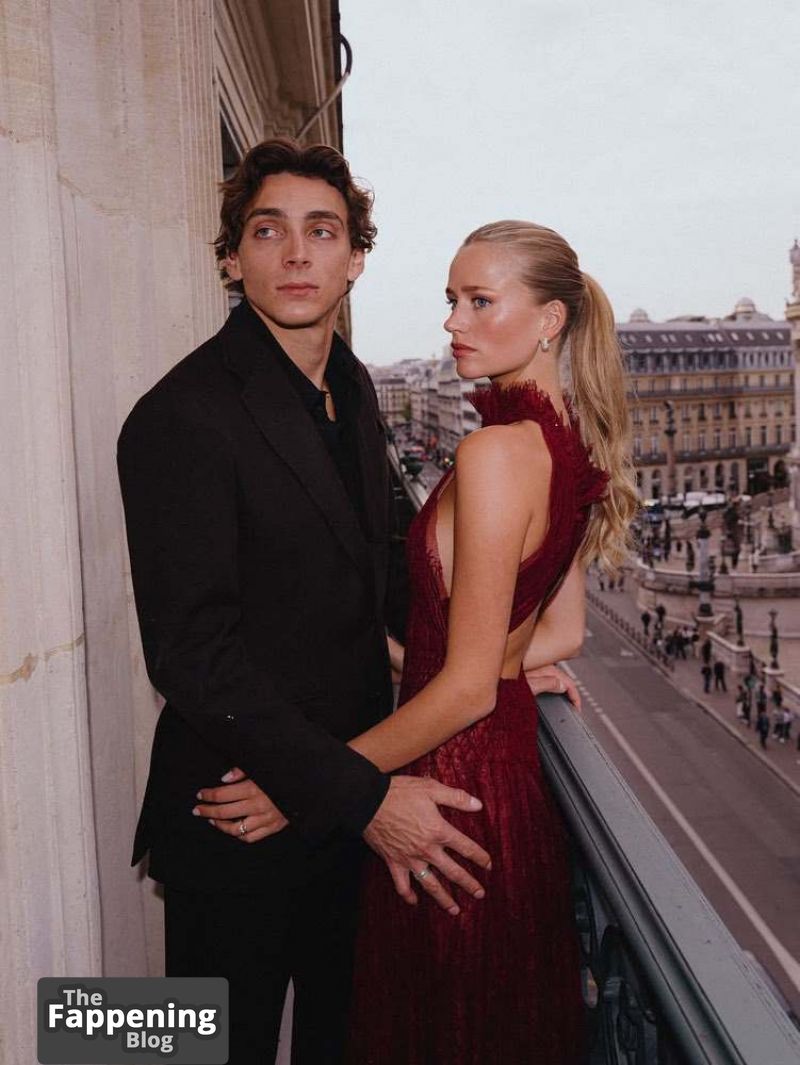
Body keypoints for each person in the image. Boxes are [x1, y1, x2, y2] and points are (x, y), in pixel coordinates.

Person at [118, 139, 530, 1065]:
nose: (297, 253)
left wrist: (508, 656)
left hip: (339, 819)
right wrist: (358, 792)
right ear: (232, 258)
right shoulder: (179, 416)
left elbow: (387, 573)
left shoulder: (351, 386)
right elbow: (191, 654)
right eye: (269, 231)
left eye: (323, 232)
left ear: (356, 259)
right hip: (237, 816)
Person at [340, 220, 636, 1063]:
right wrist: (499, 667)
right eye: (451, 300)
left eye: (478, 301)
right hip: (505, 783)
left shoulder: (497, 453)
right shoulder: (569, 446)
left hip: (449, 784)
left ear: (549, 320)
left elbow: (467, 685)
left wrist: (320, 781)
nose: (452, 321)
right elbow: (561, 631)